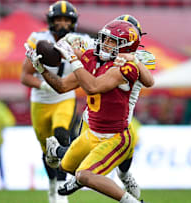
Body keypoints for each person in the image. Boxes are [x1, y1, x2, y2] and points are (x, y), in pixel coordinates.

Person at [25, 19, 151, 203]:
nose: (104, 44)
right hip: (93, 124)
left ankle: (124, 184)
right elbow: (62, 86)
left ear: (128, 46)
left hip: (116, 131)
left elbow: (94, 86)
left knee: (86, 173)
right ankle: (65, 158)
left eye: (111, 41)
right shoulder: (94, 55)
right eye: (105, 39)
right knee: (66, 166)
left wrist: (75, 59)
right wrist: (43, 69)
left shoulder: (129, 64)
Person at [21, 1, 92, 202]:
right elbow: (25, 76)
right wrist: (43, 85)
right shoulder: (38, 39)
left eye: (66, 20)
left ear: (74, 23)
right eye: (58, 20)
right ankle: (52, 184)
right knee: (47, 150)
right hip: (40, 101)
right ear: (51, 21)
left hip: (64, 97)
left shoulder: (81, 40)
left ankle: (61, 188)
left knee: (61, 134)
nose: (62, 24)